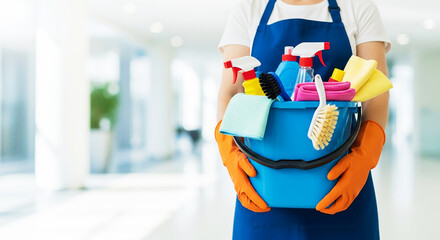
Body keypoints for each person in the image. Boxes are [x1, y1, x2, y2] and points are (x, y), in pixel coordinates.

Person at [214, 0, 390, 239]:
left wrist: (364, 156)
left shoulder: (357, 6)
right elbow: (232, 92)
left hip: (341, 182)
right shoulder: (250, 7)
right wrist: (230, 153)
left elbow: (376, 90)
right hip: (262, 184)